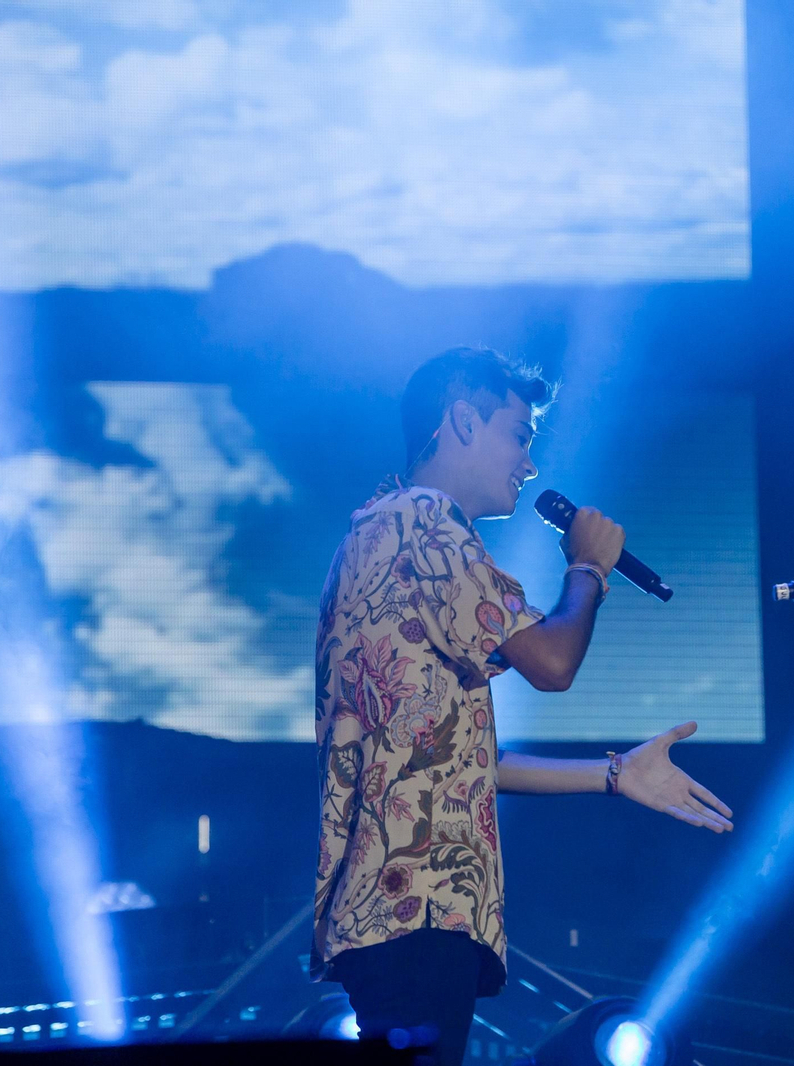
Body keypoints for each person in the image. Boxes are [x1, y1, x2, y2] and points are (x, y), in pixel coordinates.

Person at [313, 347, 734, 1066]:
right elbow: (553, 661)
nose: (530, 465)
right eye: (519, 435)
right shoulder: (423, 521)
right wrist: (588, 566)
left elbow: (461, 762)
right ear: (462, 421)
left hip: (389, 908)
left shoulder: (381, 529)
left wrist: (615, 773)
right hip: (419, 904)